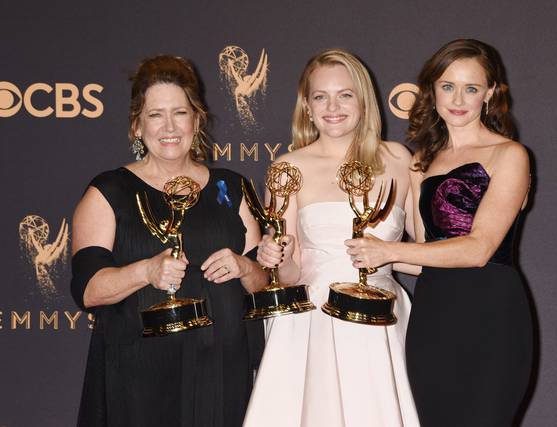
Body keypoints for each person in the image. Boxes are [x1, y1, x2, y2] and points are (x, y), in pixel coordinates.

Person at [345, 39, 534, 426]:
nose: (458, 98)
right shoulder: (420, 162)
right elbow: (425, 255)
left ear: (490, 93)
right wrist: (367, 256)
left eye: (471, 88)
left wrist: (389, 251)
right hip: (434, 317)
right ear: (432, 91)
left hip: (492, 316)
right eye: (448, 86)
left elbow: (478, 249)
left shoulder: (510, 154)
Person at [70, 55, 266, 427]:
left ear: (197, 119)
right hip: (139, 376)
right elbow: (89, 290)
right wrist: (146, 270)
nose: (169, 126)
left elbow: (262, 284)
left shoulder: (231, 186)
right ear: (136, 125)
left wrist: (245, 266)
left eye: (180, 112)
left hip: (223, 372)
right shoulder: (109, 191)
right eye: (155, 114)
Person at [243, 49, 420, 427]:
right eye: (320, 96)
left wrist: (385, 253)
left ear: (363, 100)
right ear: (306, 105)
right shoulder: (289, 168)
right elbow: (290, 273)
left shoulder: (401, 160)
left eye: (345, 95)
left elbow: (422, 259)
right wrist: (275, 256)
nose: (332, 107)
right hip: (310, 323)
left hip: (380, 320)